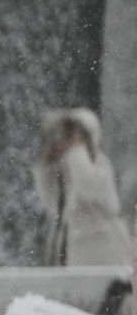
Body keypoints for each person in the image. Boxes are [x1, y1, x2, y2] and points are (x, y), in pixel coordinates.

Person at [35, 108, 131, 266]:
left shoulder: (99, 162)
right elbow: (52, 203)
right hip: (75, 251)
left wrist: (76, 149)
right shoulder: (67, 168)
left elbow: (88, 186)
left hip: (106, 252)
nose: (65, 140)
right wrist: (46, 167)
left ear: (89, 136)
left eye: (71, 135)